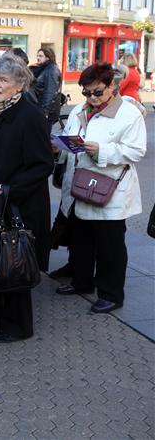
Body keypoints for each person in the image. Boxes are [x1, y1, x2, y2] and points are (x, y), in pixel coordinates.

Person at [0, 53, 53, 343]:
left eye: (3, 80)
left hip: (19, 204)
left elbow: (43, 165)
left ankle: (18, 326)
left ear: (20, 84)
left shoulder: (29, 115)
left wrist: (8, 188)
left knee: (14, 263)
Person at [54, 62, 146, 313]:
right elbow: (72, 137)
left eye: (97, 92)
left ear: (113, 87)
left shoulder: (129, 114)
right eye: (86, 92)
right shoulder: (80, 110)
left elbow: (137, 151)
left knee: (110, 246)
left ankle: (111, 294)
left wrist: (103, 151)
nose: (91, 98)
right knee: (81, 239)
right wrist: (60, 148)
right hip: (79, 186)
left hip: (110, 190)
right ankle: (82, 282)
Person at [29, 47, 62, 127]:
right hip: (39, 107)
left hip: (46, 111)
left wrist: (44, 112)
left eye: (40, 56)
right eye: (37, 56)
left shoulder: (52, 70)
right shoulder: (43, 68)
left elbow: (50, 92)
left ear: (48, 57)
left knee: (43, 136)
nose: (38, 58)